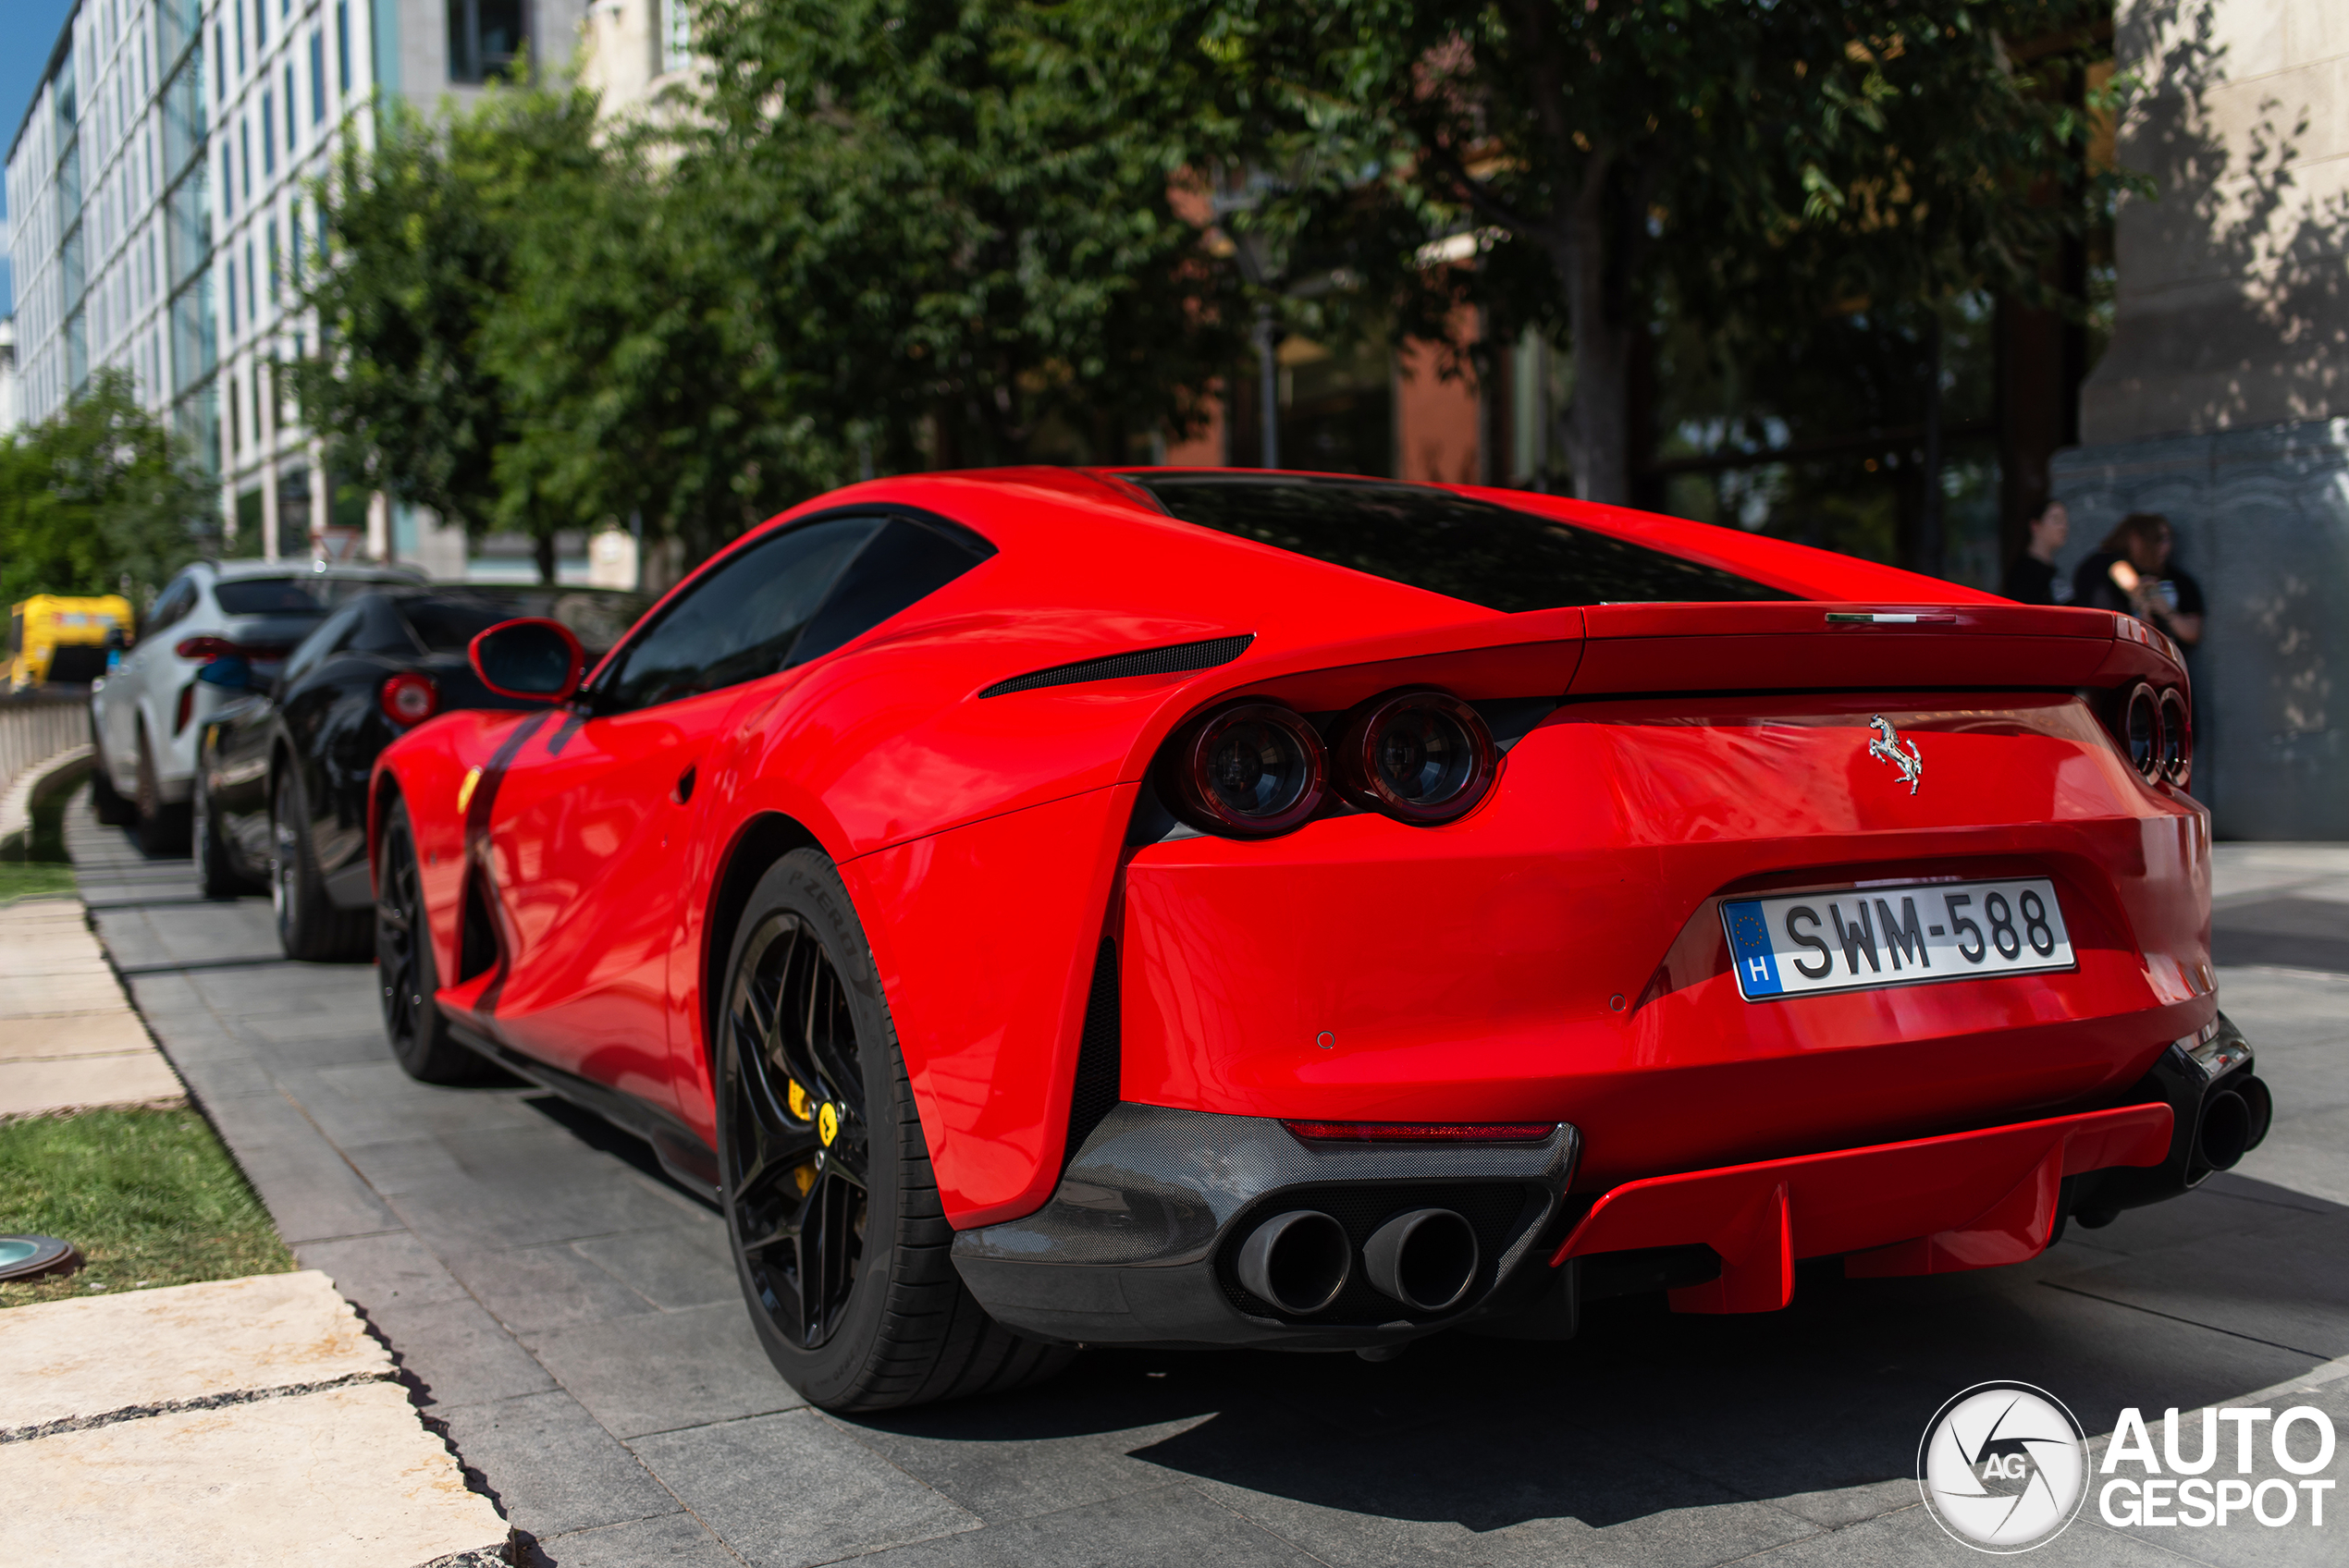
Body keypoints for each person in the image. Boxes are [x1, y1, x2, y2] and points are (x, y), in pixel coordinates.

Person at [2072, 512, 2203, 648]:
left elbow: (2192, 632)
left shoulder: (2180, 580)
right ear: (2135, 539)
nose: (2166, 546)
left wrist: (2166, 611)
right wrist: (2141, 597)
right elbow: (2118, 570)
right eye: (2157, 539)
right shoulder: (2103, 565)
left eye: (2169, 538)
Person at [2001, 500, 2073, 605]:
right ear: (2035, 525)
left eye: (2065, 521)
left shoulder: (2052, 571)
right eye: (2056, 520)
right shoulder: (2024, 574)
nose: (2064, 527)